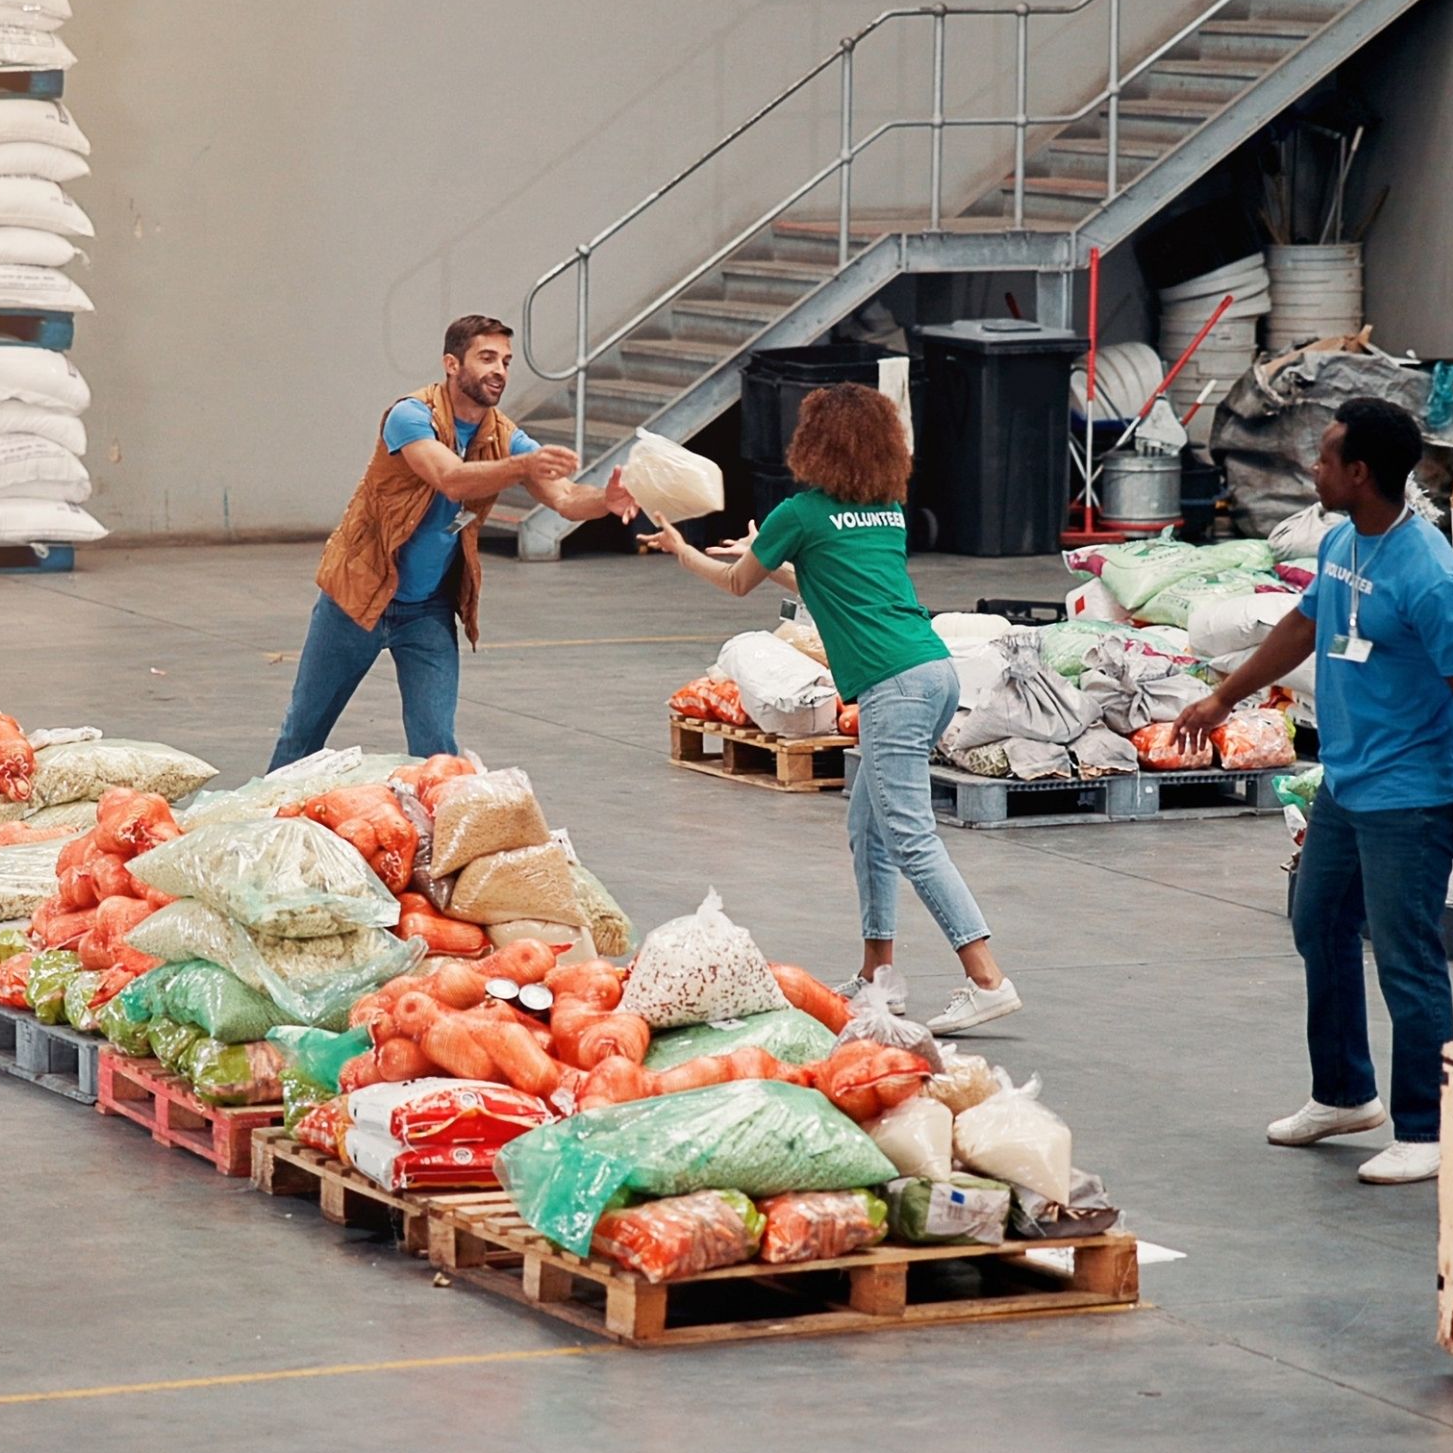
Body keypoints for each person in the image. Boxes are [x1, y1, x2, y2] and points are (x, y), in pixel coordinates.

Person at [1176, 397, 1453, 1185]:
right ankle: (1343, 1093)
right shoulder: (1342, 543)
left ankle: (1426, 1127)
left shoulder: (1433, 578)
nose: (1314, 467)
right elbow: (1303, 626)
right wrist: (1222, 697)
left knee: (1407, 958)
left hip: (1411, 796)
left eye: (1327, 458)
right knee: (1318, 923)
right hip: (1348, 782)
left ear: (1361, 474)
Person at [640, 384, 1019, 1034]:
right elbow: (836, 580)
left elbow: (737, 586)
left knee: (910, 834)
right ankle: (878, 977)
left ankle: (987, 977)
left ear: (815, 443)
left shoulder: (802, 512)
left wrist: (683, 550)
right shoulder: (887, 509)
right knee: (868, 828)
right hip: (932, 671)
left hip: (893, 685)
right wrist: (774, 557)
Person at [273, 315, 625, 766]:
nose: (499, 370)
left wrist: (606, 501)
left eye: (506, 361)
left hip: (426, 611)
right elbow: (450, 478)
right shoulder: (410, 415)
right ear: (452, 364)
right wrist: (523, 466)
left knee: (437, 750)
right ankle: (264, 829)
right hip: (358, 595)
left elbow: (566, 496)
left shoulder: (502, 435)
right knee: (302, 736)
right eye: (486, 358)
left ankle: (435, 835)